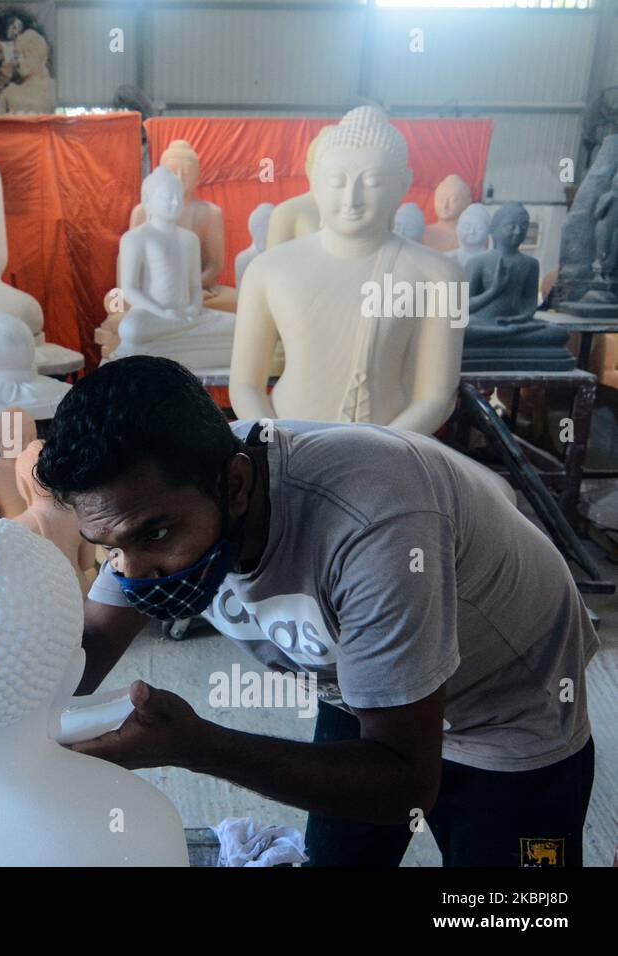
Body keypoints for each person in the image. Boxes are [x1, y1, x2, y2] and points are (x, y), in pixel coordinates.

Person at [34, 356, 598, 867]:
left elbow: (405, 779)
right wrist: (0, 708)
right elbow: (88, 647)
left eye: (154, 536)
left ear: (235, 485)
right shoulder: (156, 498)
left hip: (507, 704)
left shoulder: (373, 526)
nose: (133, 574)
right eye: (112, 549)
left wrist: (197, 745)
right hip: (359, 686)